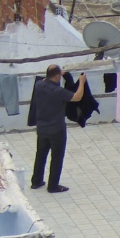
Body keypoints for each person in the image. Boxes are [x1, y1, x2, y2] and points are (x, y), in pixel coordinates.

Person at [31, 64, 85, 193]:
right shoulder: (58, 92)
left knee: (41, 154)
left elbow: (46, 79)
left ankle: (36, 181)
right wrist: (82, 82)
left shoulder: (39, 85)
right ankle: (53, 186)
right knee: (57, 157)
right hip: (56, 130)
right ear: (56, 76)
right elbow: (77, 97)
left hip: (42, 128)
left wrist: (59, 73)